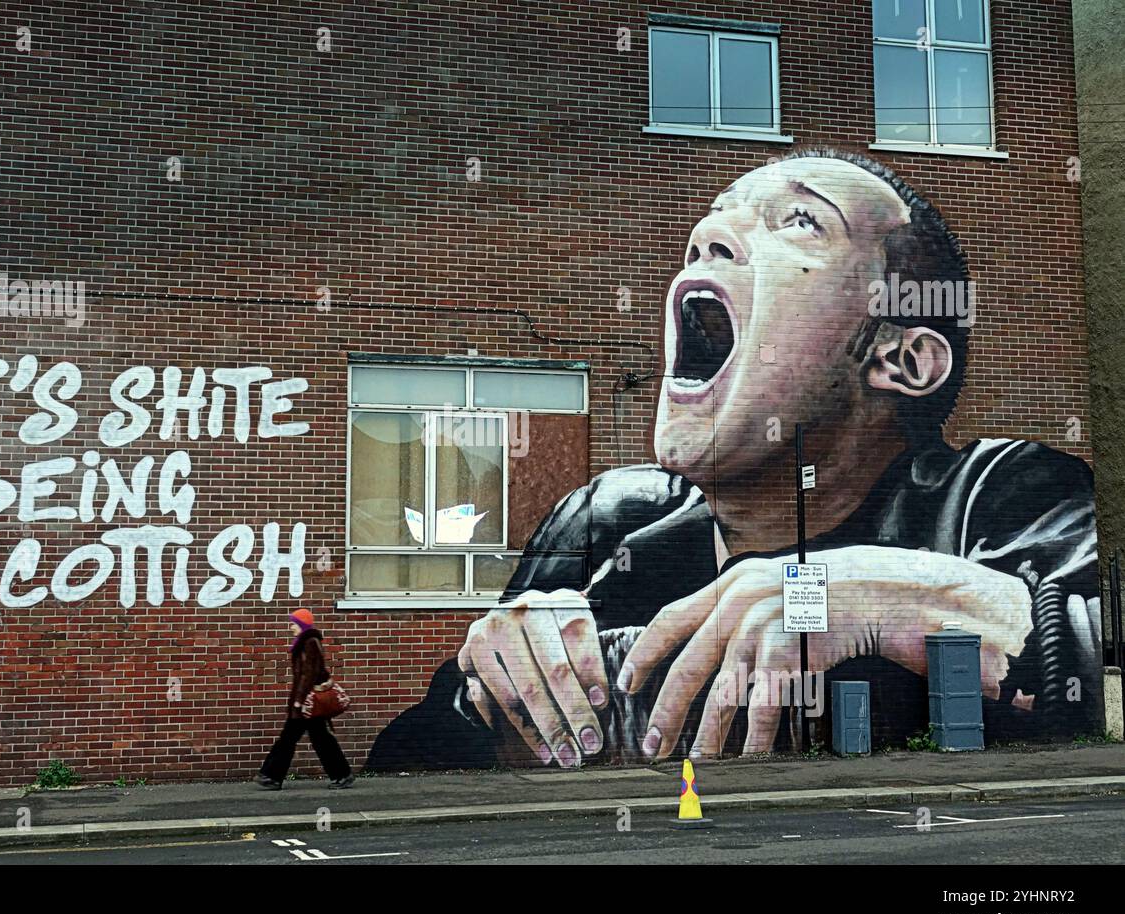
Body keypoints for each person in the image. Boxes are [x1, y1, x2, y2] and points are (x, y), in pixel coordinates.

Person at [367, 150, 1098, 770]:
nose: (706, 235)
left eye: (800, 221)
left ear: (900, 359)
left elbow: (1092, 653)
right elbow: (406, 762)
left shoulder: (1003, 493)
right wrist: (482, 689)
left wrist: (885, 597)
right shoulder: (609, 522)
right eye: (717, 214)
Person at [258, 609, 355, 790]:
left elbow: (309, 674)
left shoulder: (310, 643)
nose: (291, 626)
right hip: (307, 703)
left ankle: (271, 776)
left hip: (307, 703)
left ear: (302, 625)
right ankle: (341, 774)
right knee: (318, 739)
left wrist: (298, 700)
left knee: (291, 739)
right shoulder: (304, 642)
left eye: (294, 623)